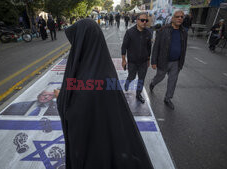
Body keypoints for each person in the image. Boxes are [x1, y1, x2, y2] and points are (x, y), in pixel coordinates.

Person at [55, 19, 154, 169]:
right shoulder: (104, 67)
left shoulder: (86, 71)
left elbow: (77, 113)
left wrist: (61, 97)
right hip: (107, 142)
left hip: (92, 149)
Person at [150, 10, 188, 110]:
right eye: (177, 16)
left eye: (182, 17)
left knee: (173, 81)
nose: (180, 18)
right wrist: (153, 61)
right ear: (172, 18)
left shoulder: (184, 32)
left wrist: (181, 62)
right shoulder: (163, 30)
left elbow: (184, 48)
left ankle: (168, 98)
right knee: (160, 77)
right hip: (163, 61)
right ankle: (153, 83)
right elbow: (156, 46)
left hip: (176, 62)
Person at [121, 13, 152, 104]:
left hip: (143, 61)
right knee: (132, 76)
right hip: (132, 61)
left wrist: (148, 59)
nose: (144, 22)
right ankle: (128, 82)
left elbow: (149, 47)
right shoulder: (130, 32)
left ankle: (138, 94)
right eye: (142, 20)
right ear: (137, 20)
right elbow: (124, 47)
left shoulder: (148, 32)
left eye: (146, 20)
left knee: (141, 79)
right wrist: (123, 60)